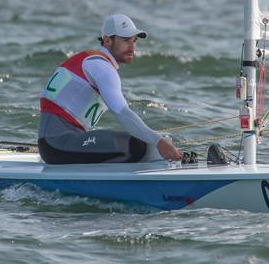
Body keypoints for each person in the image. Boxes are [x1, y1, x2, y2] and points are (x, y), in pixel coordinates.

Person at [38, 14, 183, 164]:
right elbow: (122, 113)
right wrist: (158, 141)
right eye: (126, 40)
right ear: (107, 40)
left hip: (58, 143)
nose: (132, 47)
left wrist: (156, 140)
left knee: (142, 142)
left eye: (134, 41)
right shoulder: (100, 66)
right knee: (135, 146)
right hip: (57, 144)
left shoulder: (92, 61)